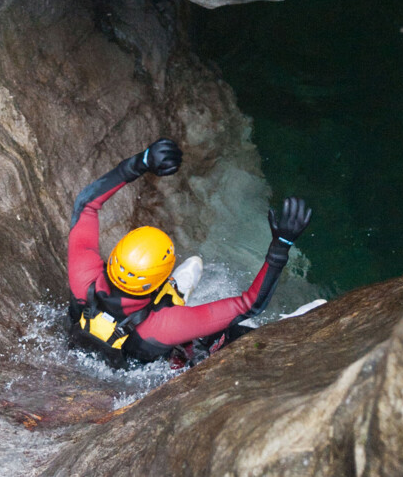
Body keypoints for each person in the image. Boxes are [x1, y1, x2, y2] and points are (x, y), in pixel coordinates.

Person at [66, 138, 312, 368]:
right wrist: (280, 246)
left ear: (114, 259)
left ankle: (172, 294)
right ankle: (284, 325)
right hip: (158, 355)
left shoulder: (82, 278)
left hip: (102, 348)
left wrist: (141, 161)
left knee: (156, 313)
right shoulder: (167, 325)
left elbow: (85, 205)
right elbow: (249, 305)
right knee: (224, 338)